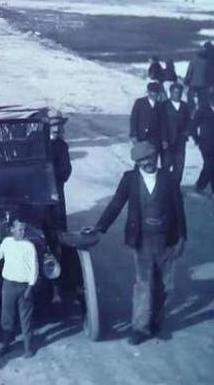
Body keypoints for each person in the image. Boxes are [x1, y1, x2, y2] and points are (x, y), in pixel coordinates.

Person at [88, 141, 187, 345]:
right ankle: (140, 328)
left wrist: (182, 238)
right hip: (142, 241)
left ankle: (156, 324)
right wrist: (100, 227)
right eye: (142, 160)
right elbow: (116, 203)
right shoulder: (130, 179)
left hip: (166, 240)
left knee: (164, 285)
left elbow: (179, 209)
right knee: (143, 284)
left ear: (156, 157)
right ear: (136, 162)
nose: (147, 162)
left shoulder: (168, 178)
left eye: (150, 157)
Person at [0, 217, 38, 358]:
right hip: (8, 286)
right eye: (19, 229)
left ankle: (28, 349)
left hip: (24, 288)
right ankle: (6, 345)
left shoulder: (29, 246)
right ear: (12, 230)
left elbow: (34, 269)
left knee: (25, 319)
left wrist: (30, 288)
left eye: (24, 229)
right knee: (7, 318)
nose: (22, 232)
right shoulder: (6, 242)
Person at [192, 89, 214, 204]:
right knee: (212, 167)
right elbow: (193, 126)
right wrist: (197, 139)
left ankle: (200, 185)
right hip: (205, 144)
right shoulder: (202, 110)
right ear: (209, 100)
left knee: (210, 166)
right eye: (213, 100)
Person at [160, 83, 192, 183]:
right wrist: (164, 139)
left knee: (179, 166)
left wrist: (187, 132)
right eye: (175, 92)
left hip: (180, 141)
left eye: (179, 93)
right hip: (167, 142)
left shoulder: (185, 106)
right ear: (170, 93)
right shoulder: (164, 105)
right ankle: (164, 187)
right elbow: (161, 124)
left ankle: (175, 188)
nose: (177, 95)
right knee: (166, 164)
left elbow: (189, 122)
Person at [184, 41, 214, 112]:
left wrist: (187, 80)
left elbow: (190, 70)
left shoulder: (196, 57)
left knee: (191, 98)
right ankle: (200, 113)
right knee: (203, 102)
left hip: (195, 83)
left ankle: (192, 111)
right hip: (205, 84)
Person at [51, 112, 72, 231]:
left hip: (56, 186)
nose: (56, 128)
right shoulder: (35, 141)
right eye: (53, 124)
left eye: (59, 125)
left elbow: (66, 169)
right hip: (37, 187)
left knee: (58, 221)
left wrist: (55, 177)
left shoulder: (62, 146)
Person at [130, 82, 163, 149]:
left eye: (156, 92)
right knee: (141, 157)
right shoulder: (140, 102)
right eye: (152, 92)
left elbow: (162, 123)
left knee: (153, 158)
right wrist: (133, 135)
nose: (154, 94)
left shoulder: (160, 105)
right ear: (148, 92)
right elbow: (133, 119)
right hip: (141, 136)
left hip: (154, 139)